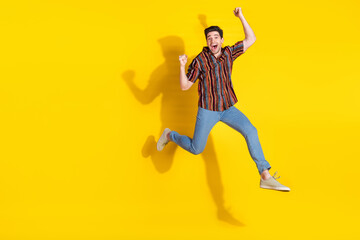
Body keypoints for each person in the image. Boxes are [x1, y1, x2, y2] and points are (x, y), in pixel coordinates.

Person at [157, 7, 290, 192]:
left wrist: (241, 16)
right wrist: (181, 66)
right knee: (196, 149)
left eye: (215, 37)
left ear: (221, 40)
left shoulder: (228, 53)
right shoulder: (200, 60)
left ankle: (265, 175)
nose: (212, 40)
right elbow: (185, 86)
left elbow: (251, 39)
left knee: (251, 131)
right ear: (207, 42)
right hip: (208, 110)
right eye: (209, 38)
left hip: (227, 108)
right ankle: (170, 135)